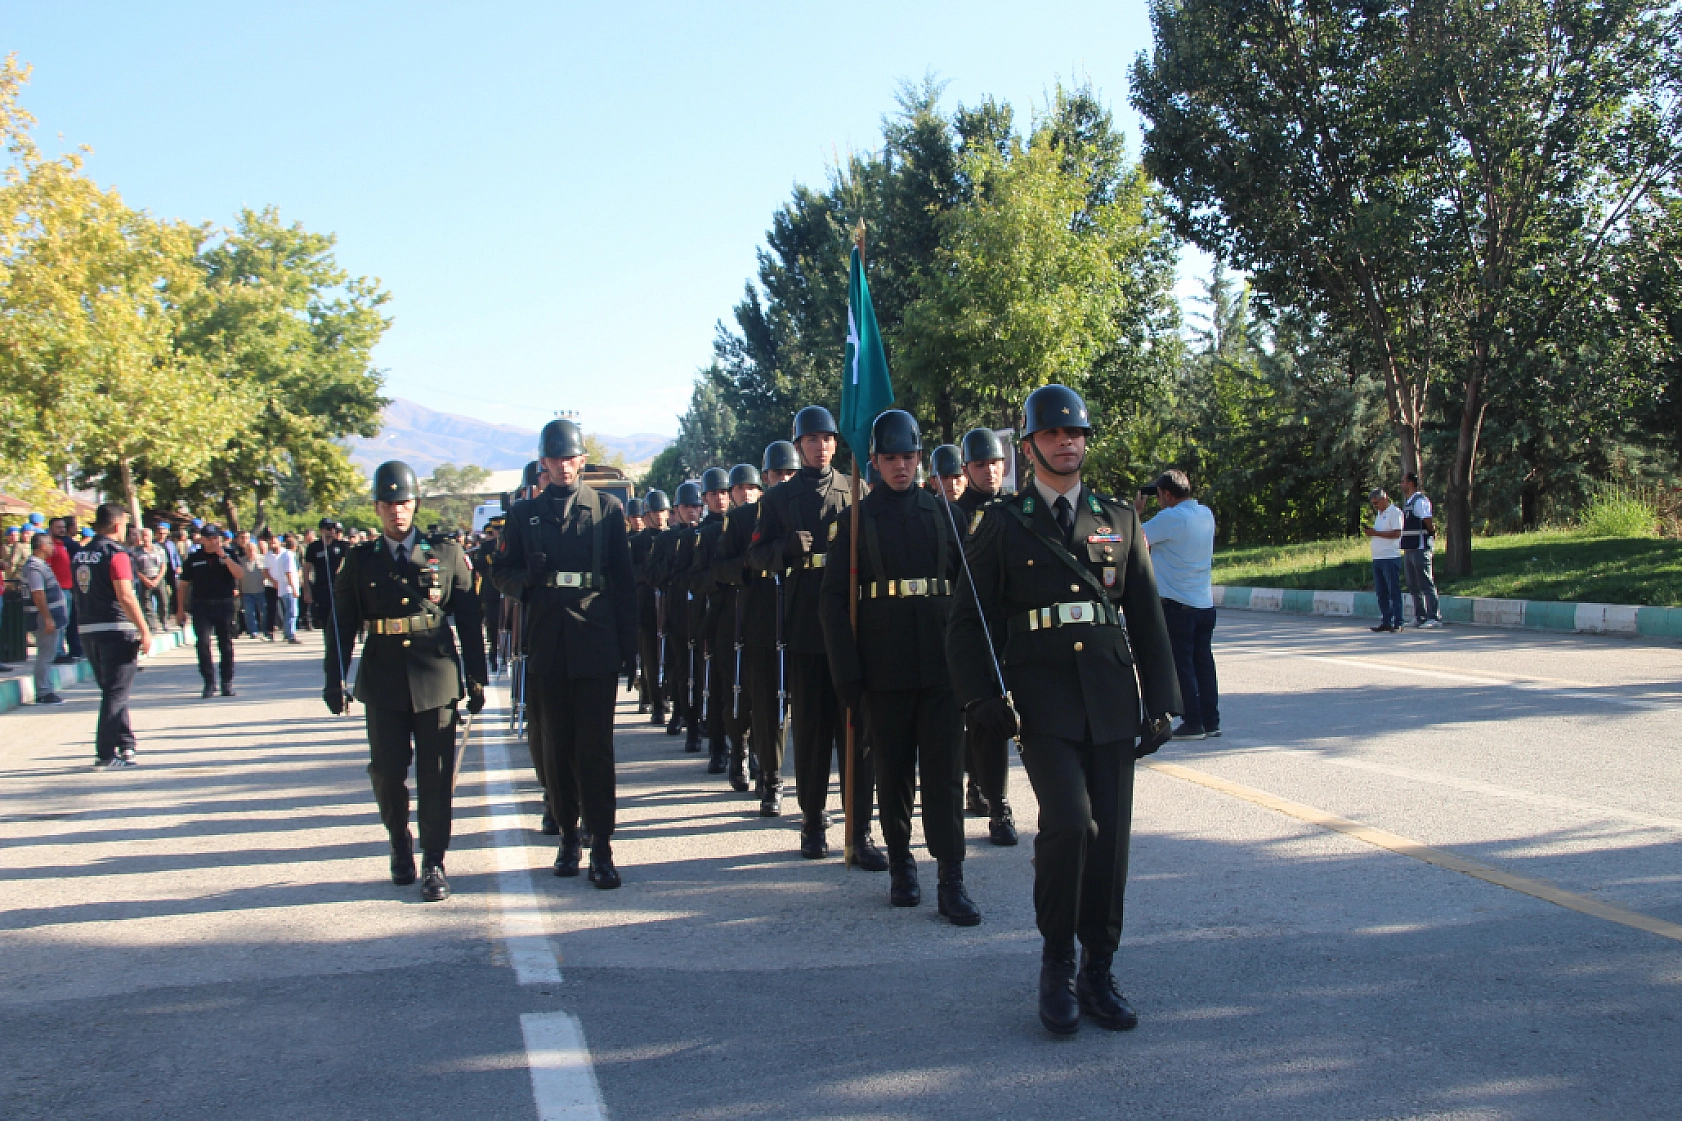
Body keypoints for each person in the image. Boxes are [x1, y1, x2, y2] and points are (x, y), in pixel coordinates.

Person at [947, 384, 1180, 1036]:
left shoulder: (1117, 519)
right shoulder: (1004, 522)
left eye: (1075, 432)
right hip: (1042, 697)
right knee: (1071, 824)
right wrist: (980, 697)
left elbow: (1147, 616)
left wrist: (1162, 702)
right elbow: (966, 620)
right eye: (1053, 433)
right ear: (1029, 447)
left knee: (1111, 842)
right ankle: (1057, 962)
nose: (1067, 442)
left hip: (1110, 694)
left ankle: (1098, 968)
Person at [820, 410, 979, 923]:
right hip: (882, 667)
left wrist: (973, 664)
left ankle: (951, 877)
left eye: (907, 457)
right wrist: (847, 672)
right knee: (892, 773)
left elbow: (970, 595)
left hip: (941, 664)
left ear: (920, 458)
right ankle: (901, 865)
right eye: (889, 458)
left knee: (945, 774)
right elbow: (833, 602)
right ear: (873, 461)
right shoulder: (855, 522)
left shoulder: (944, 514)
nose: (900, 467)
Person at [324, 460, 487, 903]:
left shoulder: (446, 554)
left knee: (436, 775)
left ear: (415, 504)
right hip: (383, 679)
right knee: (387, 772)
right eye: (389, 503)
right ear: (377, 508)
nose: (397, 510)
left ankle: (434, 859)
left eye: (404, 502)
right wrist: (335, 678)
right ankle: (399, 840)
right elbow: (341, 625)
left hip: (435, 675)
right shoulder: (360, 560)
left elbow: (468, 619)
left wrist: (476, 677)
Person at [492, 419, 637, 889]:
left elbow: (624, 583)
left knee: (595, 748)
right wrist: (526, 580)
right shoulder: (524, 515)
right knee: (556, 747)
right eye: (555, 459)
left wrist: (630, 648)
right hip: (549, 640)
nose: (563, 466)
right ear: (544, 463)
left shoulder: (607, 509)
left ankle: (602, 844)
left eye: (570, 458)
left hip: (596, 637)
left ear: (582, 461)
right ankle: (568, 835)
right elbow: (501, 572)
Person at [747, 405, 885, 868]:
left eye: (827, 439)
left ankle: (859, 828)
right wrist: (784, 549)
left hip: (851, 625)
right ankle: (811, 820)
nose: (821, 447)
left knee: (857, 731)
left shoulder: (854, 488)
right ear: (799, 445)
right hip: (806, 626)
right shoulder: (777, 499)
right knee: (811, 731)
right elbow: (756, 556)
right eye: (812, 439)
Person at [713, 441, 799, 814]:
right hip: (760, 622)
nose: (784, 480)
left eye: (790, 473)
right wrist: (749, 565)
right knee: (766, 705)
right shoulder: (743, 520)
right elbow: (721, 568)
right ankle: (770, 777)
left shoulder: (806, 509)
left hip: (801, 618)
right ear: (766, 477)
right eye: (777, 474)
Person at [952, 426, 1017, 845]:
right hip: (971, 628)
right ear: (967, 469)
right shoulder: (953, 514)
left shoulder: (1015, 509)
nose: (990, 471)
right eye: (980, 464)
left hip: (1009, 628)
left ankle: (985, 788)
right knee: (980, 719)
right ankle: (997, 805)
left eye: (995, 463)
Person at [694, 464, 764, 790]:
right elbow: (702, 577)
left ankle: (760, 755)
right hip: (727, 619)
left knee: (761, 692)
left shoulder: (769, 522)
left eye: (751, 488)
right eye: (738, 488)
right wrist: (738, 569)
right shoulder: (711, 534)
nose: (745, 494)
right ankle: (736, 751)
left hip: (761, 617)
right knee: (732, 690)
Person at [1140, 469, 1221, 739]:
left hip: (1178, 605)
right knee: (1204, 664)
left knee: (1182, 666)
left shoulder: (1170, 518)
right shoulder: (1205, 513)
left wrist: (1136, 512)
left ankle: (1193, 722)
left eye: (1158, 495)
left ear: (1167, 494)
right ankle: (1211, 720)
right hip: (1204, 603)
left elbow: (1134, 538)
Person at [72, 503, 154, 767]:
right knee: (116, 694)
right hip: (116, 629)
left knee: (114, 691)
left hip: (88, 629)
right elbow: (125, 595)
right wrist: (144, 629)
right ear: (118, 525)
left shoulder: (81, 554)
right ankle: (106, 754)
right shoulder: (117, 555)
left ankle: (126, 744)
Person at [687, 466, 736, 775]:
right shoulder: (701, 535)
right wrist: (719, 577)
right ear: (704, 498)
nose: (720, 498)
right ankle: (718, 748)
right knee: (717, 687)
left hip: (742, 614)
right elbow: (694, 580)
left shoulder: (741, 524)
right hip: (714, 616)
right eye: (713, 494)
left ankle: (744, 748)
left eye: (723, 492)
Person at [653, 481, 705, 749]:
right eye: (687, 506)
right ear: (677, 509)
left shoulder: (708, 532)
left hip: (703, 613)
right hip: (678, 612)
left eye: (696, 506)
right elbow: (653, 575)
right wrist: (672, 562)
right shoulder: (666, 539)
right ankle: (685, 718)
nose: (692, 511)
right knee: (682, 671)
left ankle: (704, 720)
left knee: (704, 671)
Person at [177, 524, 243, 697]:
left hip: (224, 604)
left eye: (217, 538)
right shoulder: (193, 559)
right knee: (203, 643)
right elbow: (183, 585)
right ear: (203, 540)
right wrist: (180, 609)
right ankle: (209, 682)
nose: (215, 541)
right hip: (201, 606)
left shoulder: (229, 554)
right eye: (211, 538)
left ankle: (226, 682)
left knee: (225, 643)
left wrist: (225, 558)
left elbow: (239, 574)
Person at [631, 490, 671, 727]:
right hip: (646, 605)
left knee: (673, 656)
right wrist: (651, 573)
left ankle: (670, 698)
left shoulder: (674, 537)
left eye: (662, 511)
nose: (658, 516)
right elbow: (631, 572)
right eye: (654, 512)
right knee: (650, 657)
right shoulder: (637, 542)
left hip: (671, 602)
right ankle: (656, 703)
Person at [22, 531, 68, 705]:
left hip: (48, 617)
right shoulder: (34, 567)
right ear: (42, 546)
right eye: (49, 544)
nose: (52, 547)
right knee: (45, 655)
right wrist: (47, 618)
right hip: (42, 619)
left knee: (48, 654)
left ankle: (46, 688)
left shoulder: (41, 565)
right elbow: (38, 594)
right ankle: (43, 692)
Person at [1400, 473, 1442, 628]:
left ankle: (1434, 617)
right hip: (1409, 548)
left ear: (1410, 484)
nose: (1401, 484)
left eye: (1403, 482)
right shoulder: (1408, 502)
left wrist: (1431, 531)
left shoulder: (1420, 501)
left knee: (1425, 583)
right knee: (1413, 585)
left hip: (1420, 547)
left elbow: (1427, 519)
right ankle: (1420, 616)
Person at [1363, 488, 1405, 632]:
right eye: (1373, 503)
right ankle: (1386, 620)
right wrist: (1373, 533)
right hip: (1378, 558)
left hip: (1390, 557)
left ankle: (1398, 622)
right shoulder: (1380, 515)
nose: (1375, 506)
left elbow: (1397, 533)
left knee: (1394, 591)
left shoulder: (1395, 512)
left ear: (1384, 499)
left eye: (1376, 503)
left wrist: (1375, 533)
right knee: (1381, 593)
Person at [302, 519, 349, 632]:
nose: (332, 531)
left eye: (333, 528)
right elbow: (307, 569)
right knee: (326, 618)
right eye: (328, 528)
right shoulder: (314, 547)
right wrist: (307, 590)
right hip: (322, 588)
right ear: (321, 530)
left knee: (341, 617)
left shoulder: (342, 545)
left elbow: (348, 563)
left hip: (339, 587)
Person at [47, 517, 79, 663]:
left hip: (68, 588)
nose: (62, 530)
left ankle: (61, 651)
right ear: (51, 529)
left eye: (63, 527)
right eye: (58, 527)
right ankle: (57, 652)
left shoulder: (63, 545)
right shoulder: (49, 546)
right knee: (59, 622)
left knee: (64, 622)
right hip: (57, 589)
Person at [267, 532, 301, 643]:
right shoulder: (289, 556)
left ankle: (287, 633)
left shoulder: (283, 555)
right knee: (292, 612)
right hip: (288, 588)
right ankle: (290, 634)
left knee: (288, 612)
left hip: (283, 588)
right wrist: (294, 588)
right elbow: (289, 572)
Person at [235, 531, 269, 639]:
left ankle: (265, 629)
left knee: (264, 612)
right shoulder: (241, 561)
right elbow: (238, 576)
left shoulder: (263, 559)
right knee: (249, 612)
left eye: (253, 549)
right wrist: (238, 588)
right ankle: (253, 631)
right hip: (247, 591)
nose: (251, 551)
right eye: (248, 550)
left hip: (261, 590)